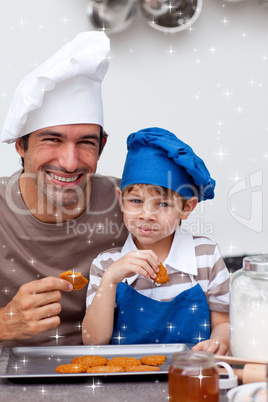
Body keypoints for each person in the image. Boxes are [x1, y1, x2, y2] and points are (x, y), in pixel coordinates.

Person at [0, 31, 127, 347]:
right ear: (21, 145)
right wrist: (5, 325)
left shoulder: (132, 206)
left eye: (86, 142)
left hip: (110, 376)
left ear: (102, 146)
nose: (70, 163)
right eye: (52, 140)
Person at [82, 127, 230, 355]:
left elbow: (222, 323)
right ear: (121, 200)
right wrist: (111, 280)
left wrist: (219, 342)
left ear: (186, 208)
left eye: (163, 204)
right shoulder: (106, 264)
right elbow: (94, 341)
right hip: (124, 381)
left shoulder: (206, 256)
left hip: (189, 374)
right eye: (135, 201)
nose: (146, 215)